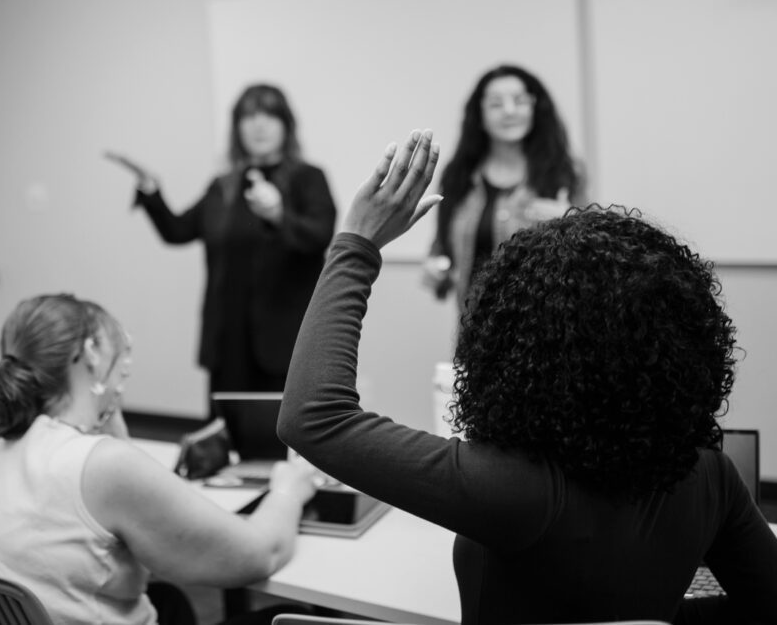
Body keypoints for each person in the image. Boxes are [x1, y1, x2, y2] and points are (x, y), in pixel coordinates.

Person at [278, 129, 777, 624]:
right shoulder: (711, 476)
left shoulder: (511, 489)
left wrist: (357, 244)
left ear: (509, 347)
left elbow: (315, 418)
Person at [0, 293, 319, 625]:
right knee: (293, 618)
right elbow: (259, 555)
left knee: (168, 601)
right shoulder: (102, 465)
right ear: (92, 352)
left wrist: (107, 421)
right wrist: (289, 490)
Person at [106, 83, 337, 409]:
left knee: (280, 432)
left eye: (269, 115)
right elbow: (177, 231)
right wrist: (150, 188)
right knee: (225, 430)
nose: (259, 125)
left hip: (285, 342)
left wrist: (278, 214)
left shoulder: (308, 178)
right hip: (227, 342)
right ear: (237, 127)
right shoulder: (224, 185)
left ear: (286, 124)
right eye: (249, 116)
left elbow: (320, 236)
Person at [422, 64, 586, 312]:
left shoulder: (564, 172)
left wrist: (570, 221)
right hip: (473, 324)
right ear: (480, 115)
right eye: (496, 104)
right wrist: (437, 267)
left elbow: (590, 257)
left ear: (534, 108)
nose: (509, 111)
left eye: (519, 101)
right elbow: (442, 249)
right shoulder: (459, 175)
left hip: (544, 323)